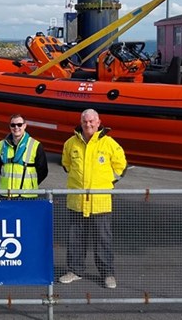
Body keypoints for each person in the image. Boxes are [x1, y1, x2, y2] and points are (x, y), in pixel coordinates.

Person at [59, 108, 127, 290]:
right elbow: (66, 165)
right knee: (75, 238)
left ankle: (107, 274)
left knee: (103, 239)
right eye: (85, 122)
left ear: (98, 122)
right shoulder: (70, 143)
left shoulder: (109, 144)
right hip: (76, 200)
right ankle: (75, 270)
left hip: (100, 201)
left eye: (91, 121)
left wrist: (108, 183)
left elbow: (121, 167)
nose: (88, 125)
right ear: (81, 123)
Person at [0, 114, 48, 198]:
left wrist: (31, 184)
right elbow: (0, 167)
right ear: (10, 126)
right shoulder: (1, 145)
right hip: (6, 194)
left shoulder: (35, 145)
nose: (16, 127)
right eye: (13, 125)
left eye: (19, 124)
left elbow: (43, 171)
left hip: (27, 195)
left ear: (25, 126)